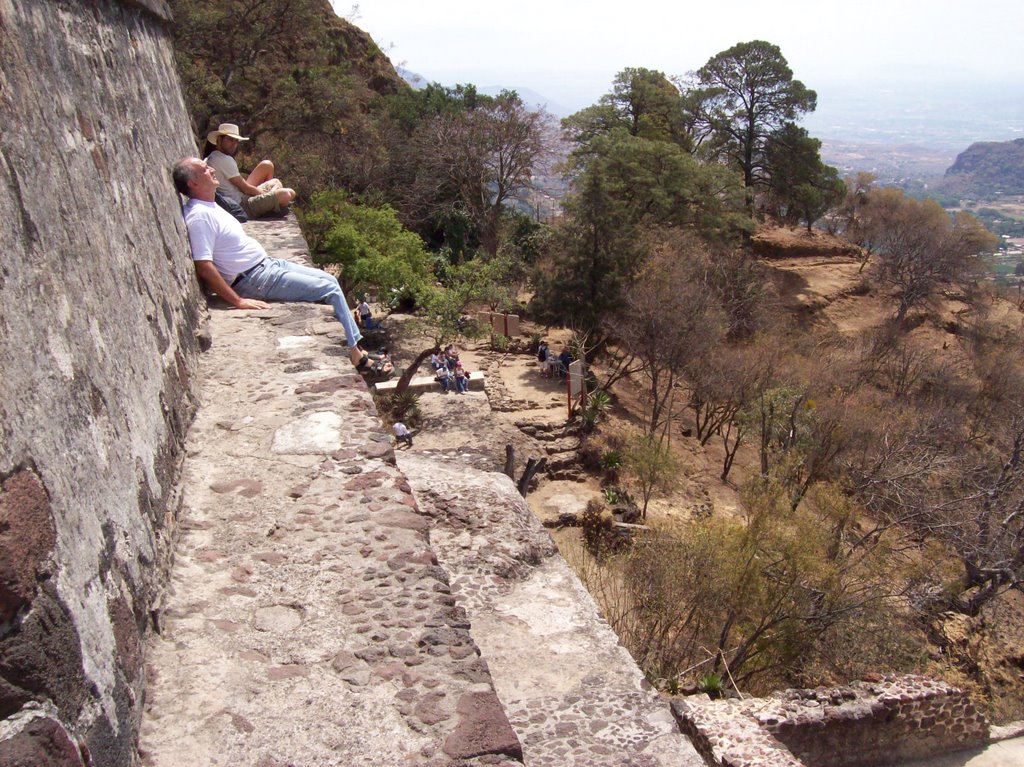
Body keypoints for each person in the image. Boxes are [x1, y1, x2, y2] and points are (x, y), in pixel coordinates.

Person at [171, 156, 369, 370]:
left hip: (265, 266)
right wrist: (237, 301)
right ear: (193, 183)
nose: (211, 168)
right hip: (253, 279)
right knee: (329, 289)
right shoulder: (199, 216)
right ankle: (354, 352)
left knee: (330, 278)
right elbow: (203, 265)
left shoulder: (211, 204)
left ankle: (354, 342)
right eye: (204, 169)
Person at [204, 123, 296, 219]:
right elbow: (245, 189)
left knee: (274, 178)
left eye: (236, 141)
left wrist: (264, 194)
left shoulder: (214, 156)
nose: (234, 144)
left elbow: (241, 186)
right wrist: (265, 194)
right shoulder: (222, 159)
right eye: (230, 140)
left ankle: (271, 204)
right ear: (219, 140)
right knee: (288, 193)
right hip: (242, 206)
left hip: (241, 197)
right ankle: (271, 205)